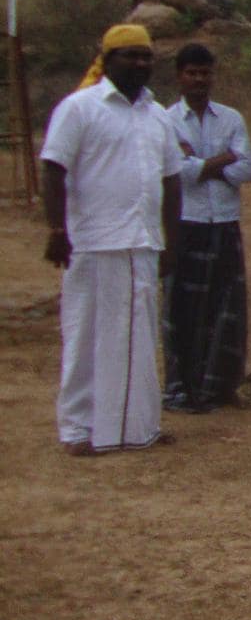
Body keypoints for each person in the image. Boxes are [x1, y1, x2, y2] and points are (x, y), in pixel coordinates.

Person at [40, 23, 183, 454]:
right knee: (87, 336)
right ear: (107, 60)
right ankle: (78, 429)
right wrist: (56, 229)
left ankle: (139, 427)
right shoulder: (80, 108)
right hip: (94, 242)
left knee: (139, 339)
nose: (140, 63)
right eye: (130, 55)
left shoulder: (157, 115)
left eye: (146, 56)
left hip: (143, 243)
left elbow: (172, 179)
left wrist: (171, 240)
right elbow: (53, 169)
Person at [160, 41, 251, 413]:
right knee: (184, 310)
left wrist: (199, 163)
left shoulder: (230, 118)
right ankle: (183, 388)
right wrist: (223, 159)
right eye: (192, 73)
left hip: (225, 222)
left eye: (205, 73)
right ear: (179, 77)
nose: (199, 80)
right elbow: (176, 173)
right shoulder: (166, 120)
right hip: (188, 223)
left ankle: (220, 386)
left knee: (226, 307)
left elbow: (246, 168)